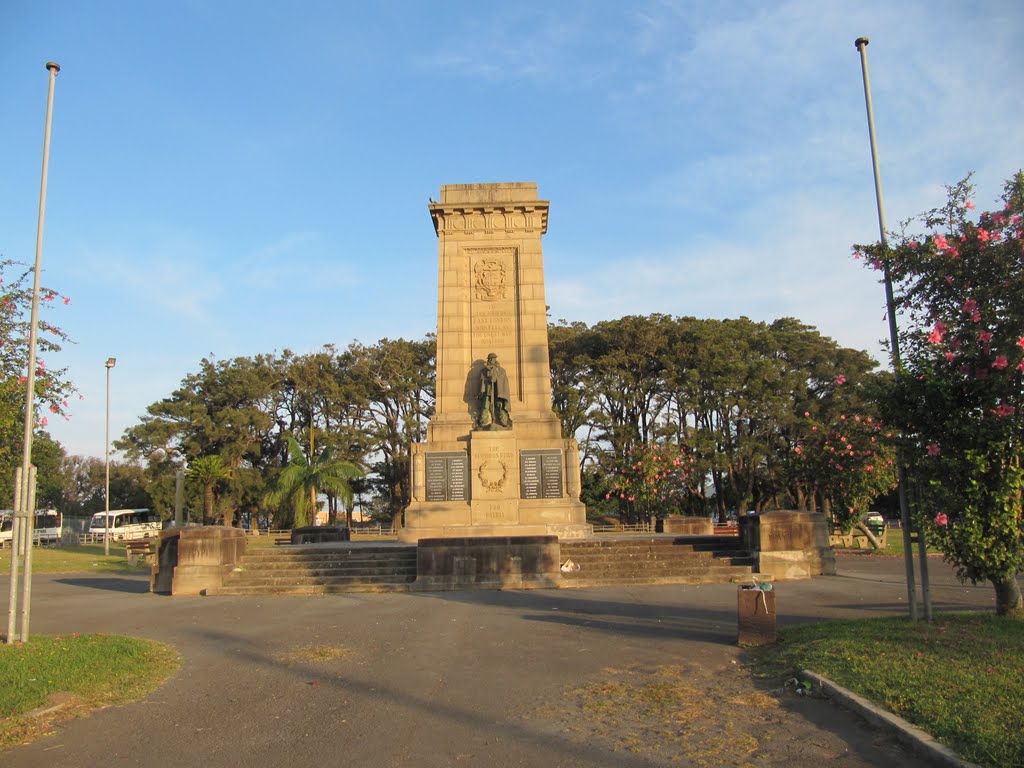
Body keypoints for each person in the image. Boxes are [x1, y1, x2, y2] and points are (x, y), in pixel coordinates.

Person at [479, 353, 511, 428]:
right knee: (485, 406)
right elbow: (482, 380)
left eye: (493, 358)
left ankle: (503, 421)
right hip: (488, 391)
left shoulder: (501, 370)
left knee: (500, 406)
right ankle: (483, 421)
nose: (492, 360)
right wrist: (488, 380)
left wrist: (496, 380)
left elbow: (503, 380)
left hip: (498, 391)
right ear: (489, 360)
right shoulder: (484, 370)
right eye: (491, 359)